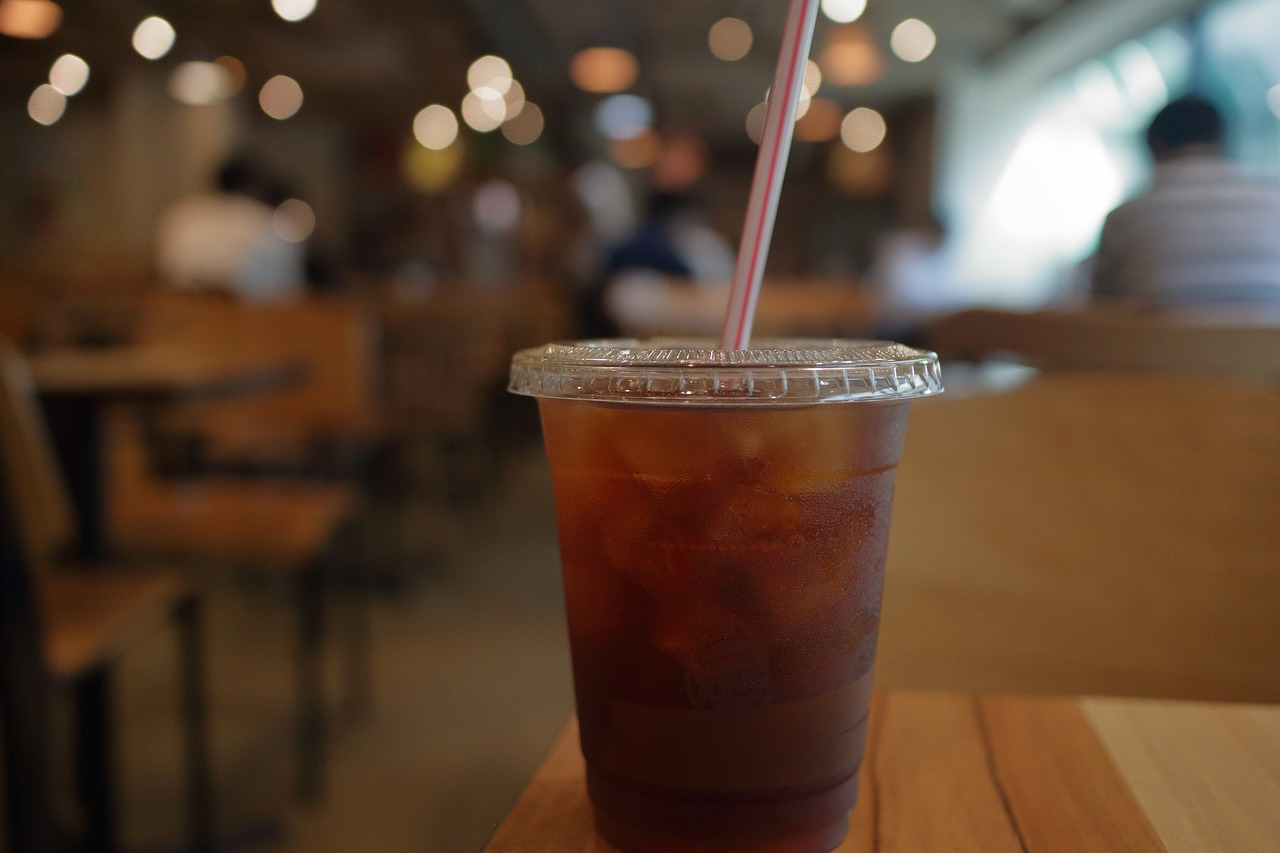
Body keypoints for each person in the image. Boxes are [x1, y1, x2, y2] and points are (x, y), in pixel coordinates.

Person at [1091, 95, 1280, 304]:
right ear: (1223, 142)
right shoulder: (1274, 205)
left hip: (1157, 338)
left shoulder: (1125, 219)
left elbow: (1099, 313)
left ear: (1154, 146)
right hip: (1266, 337)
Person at [155, 157, 306, 301]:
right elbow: (291, 293)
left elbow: (167, 273)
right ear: (255, 185)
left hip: (183, 318)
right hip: (254, 322)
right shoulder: (274, 226)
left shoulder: (181, 216)